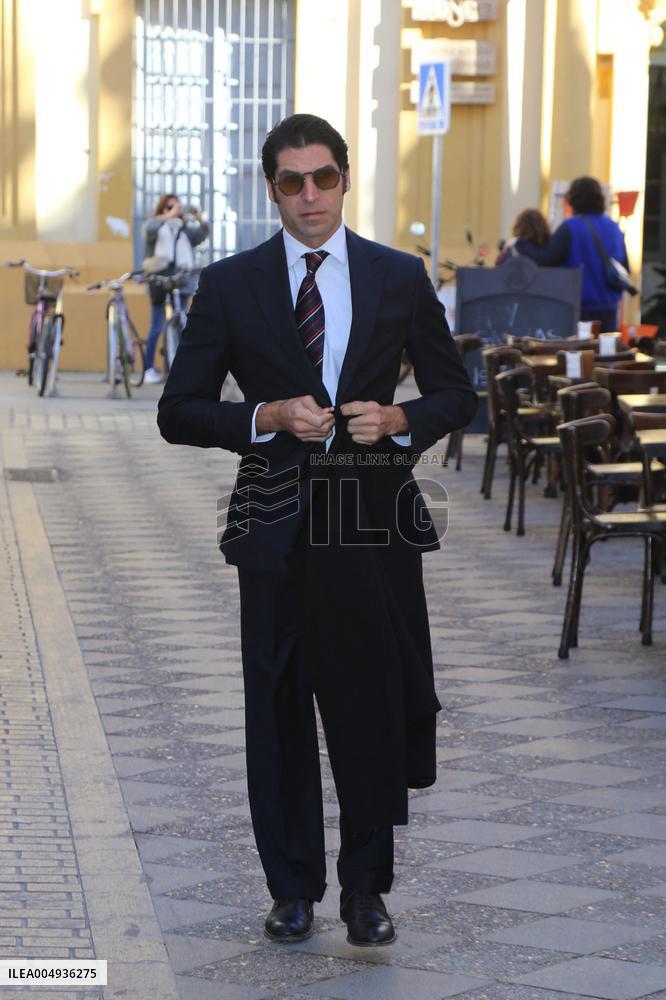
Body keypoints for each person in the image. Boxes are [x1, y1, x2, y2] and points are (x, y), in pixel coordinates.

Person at [157, 114, 476, 947]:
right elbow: (178, 411)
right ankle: (291, 888)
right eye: (292, 181)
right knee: (278, 706)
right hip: (272, 522)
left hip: (369, 518)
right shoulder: (230, 285)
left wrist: (400, 416)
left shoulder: (400, 277)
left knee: (370, 701)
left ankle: (366, 893)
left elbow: (457, 393)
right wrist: (264, 414)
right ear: (272, 189)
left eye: (323, 178)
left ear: (344, 179)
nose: (309, 195)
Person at [514, 176, 629, 332]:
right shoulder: (613, 227)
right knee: (604, 353)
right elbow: (625, 266)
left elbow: (546, 259)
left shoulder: (571, 227)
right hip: (610, 307)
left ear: (572, 199)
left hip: (579, 308)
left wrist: (520, 244)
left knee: (579, 353)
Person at [141, 194, 209, 384]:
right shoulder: (156, 227)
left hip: (181, 282)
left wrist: (198, 216)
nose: (173, 211)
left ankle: (183, 369)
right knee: (157, 325)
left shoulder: (185, 231)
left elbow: (203, 233)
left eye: (177, 208)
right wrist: (167, 216)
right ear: (162, 209)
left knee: (184, 324)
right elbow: (148, 229)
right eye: (168, 207)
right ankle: (149, 368)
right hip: (159, 281)